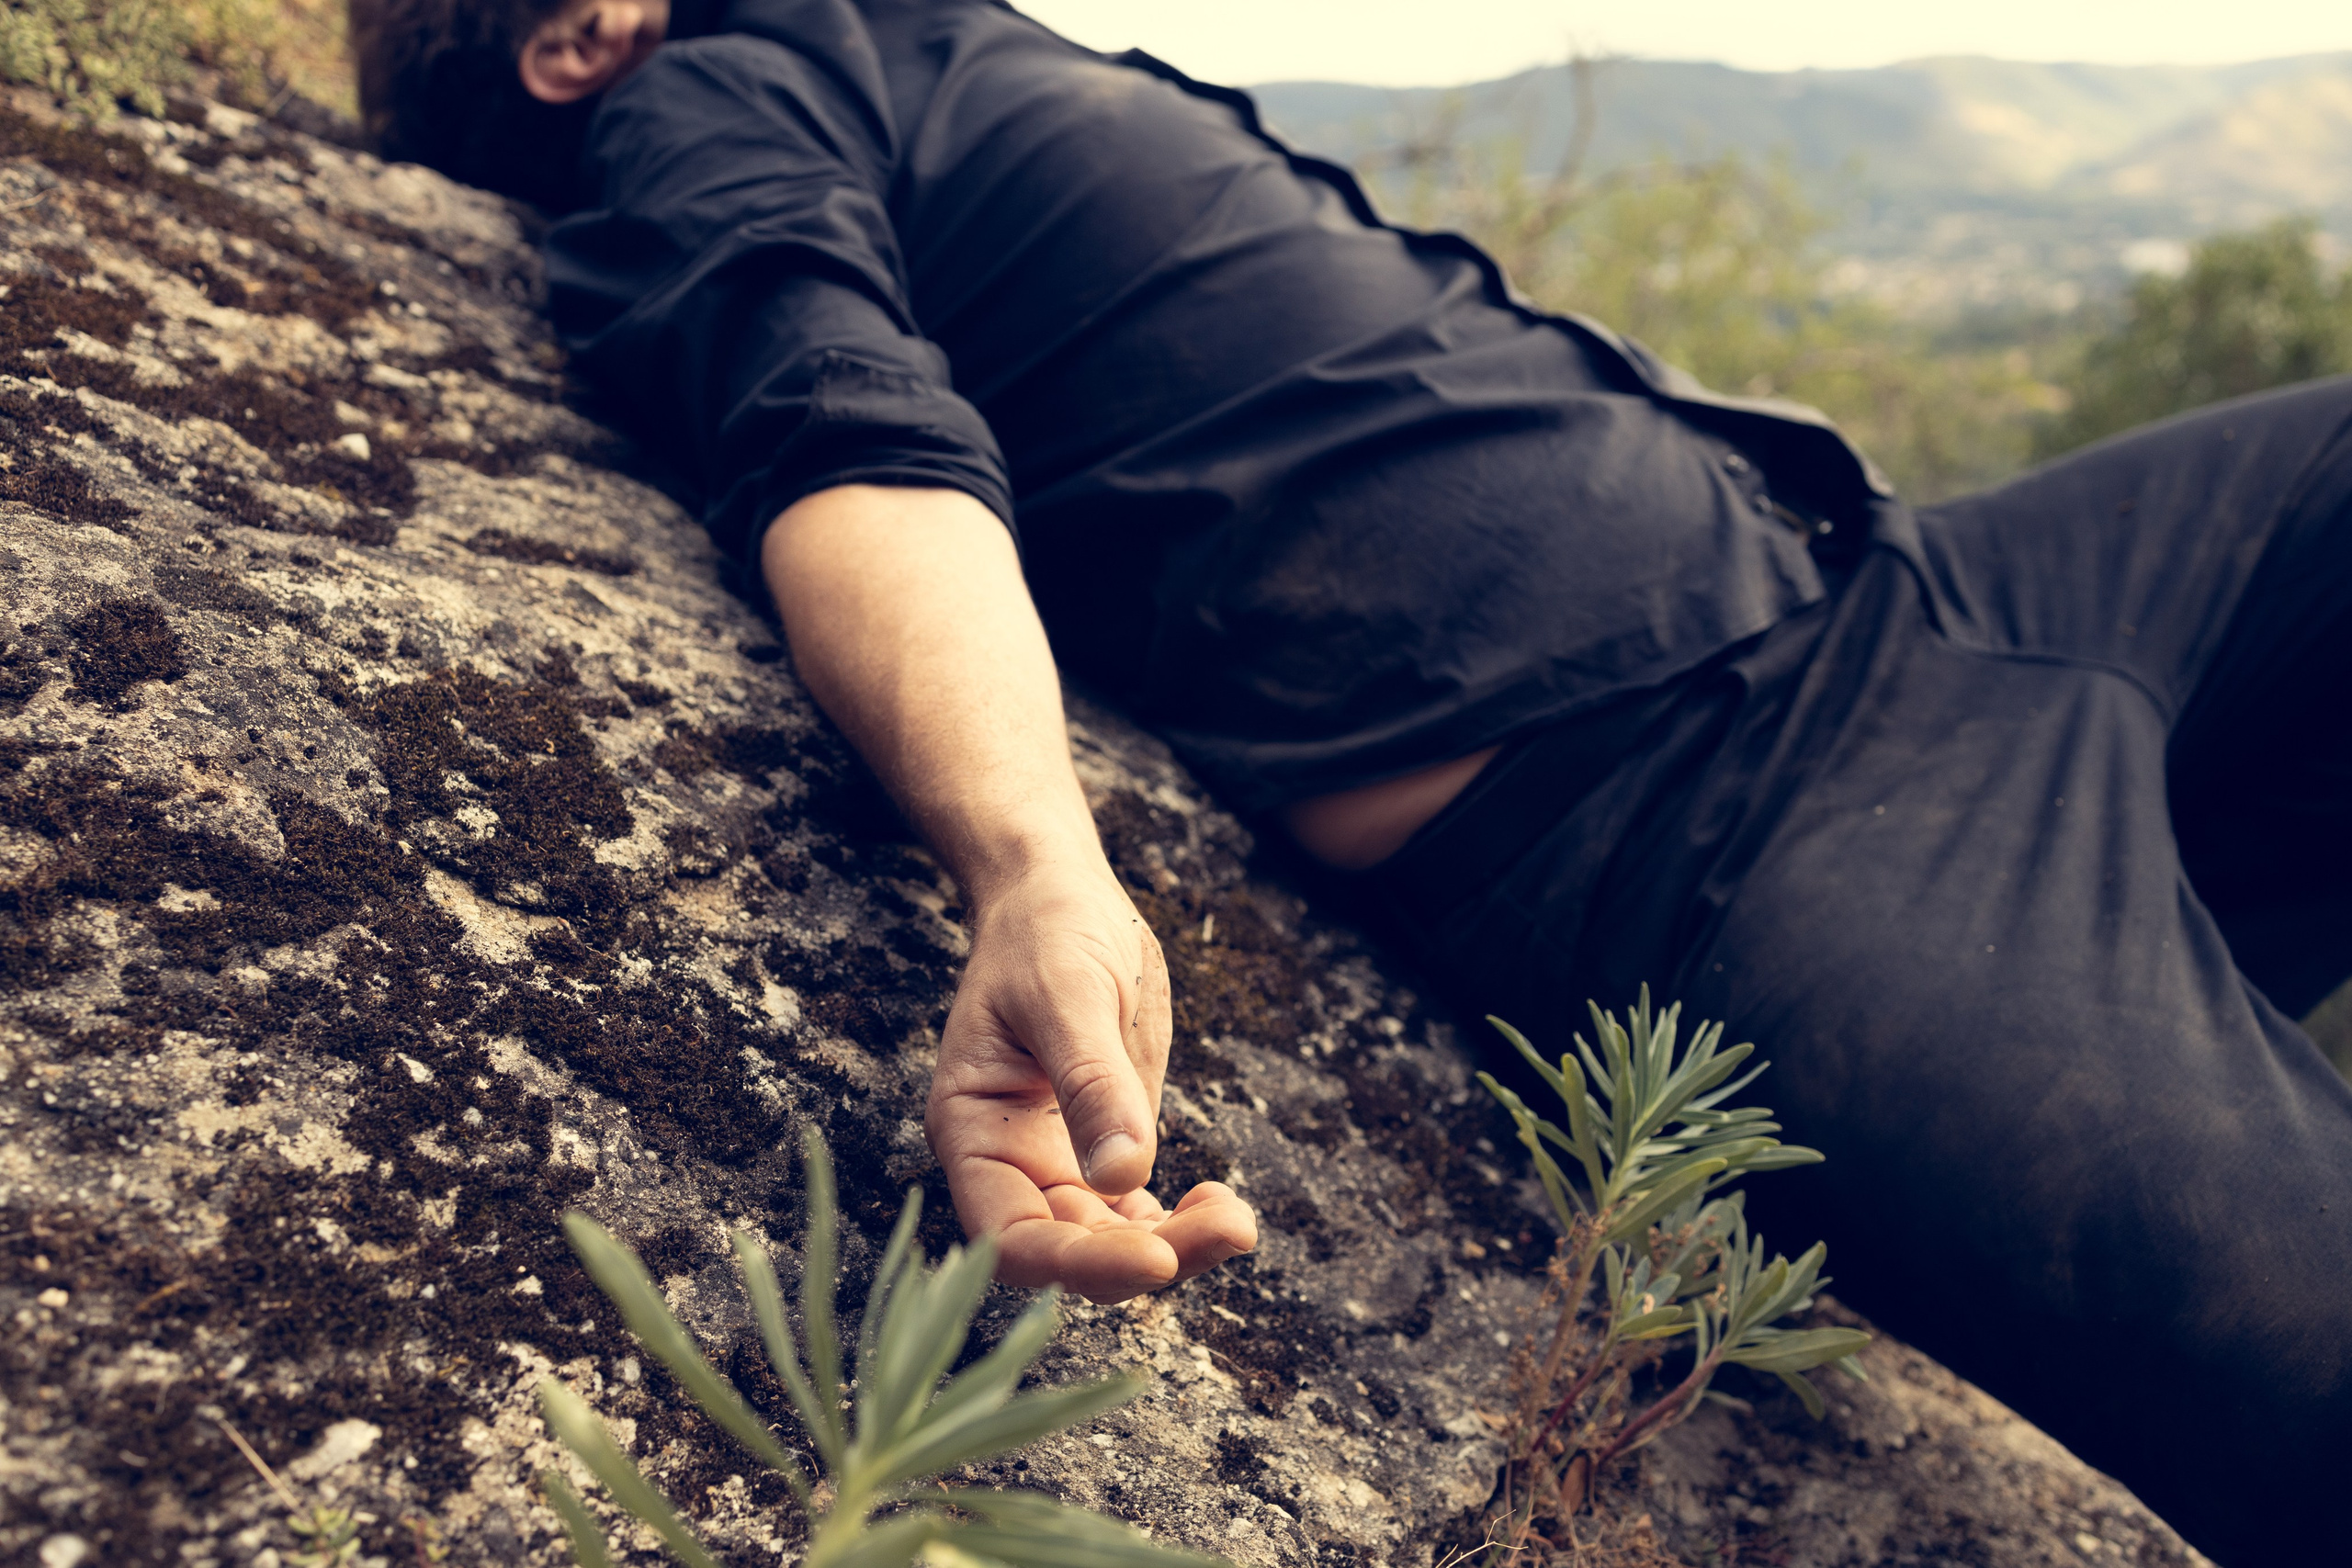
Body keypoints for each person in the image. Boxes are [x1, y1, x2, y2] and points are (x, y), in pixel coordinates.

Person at [348, 0, 2352, 1556]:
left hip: (1928, 584)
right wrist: (1030, 856)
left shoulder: (920, 38)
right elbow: (839, 440)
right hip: (1720, 828)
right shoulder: (707, 108)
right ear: (577, 34)